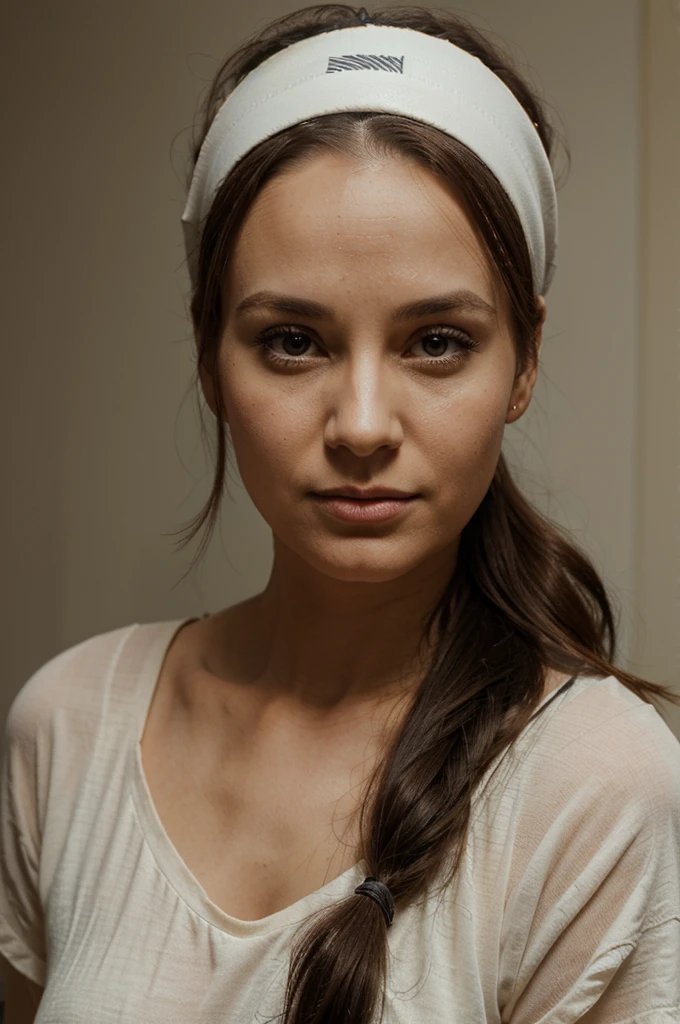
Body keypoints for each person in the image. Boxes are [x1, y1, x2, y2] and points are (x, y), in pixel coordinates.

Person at [2, 4, 680, 1023]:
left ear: (524, 358)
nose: (361, 424)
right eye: (291, 341)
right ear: (208, 357)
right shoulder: (66, 727)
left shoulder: (595, 786)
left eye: (436, 342)